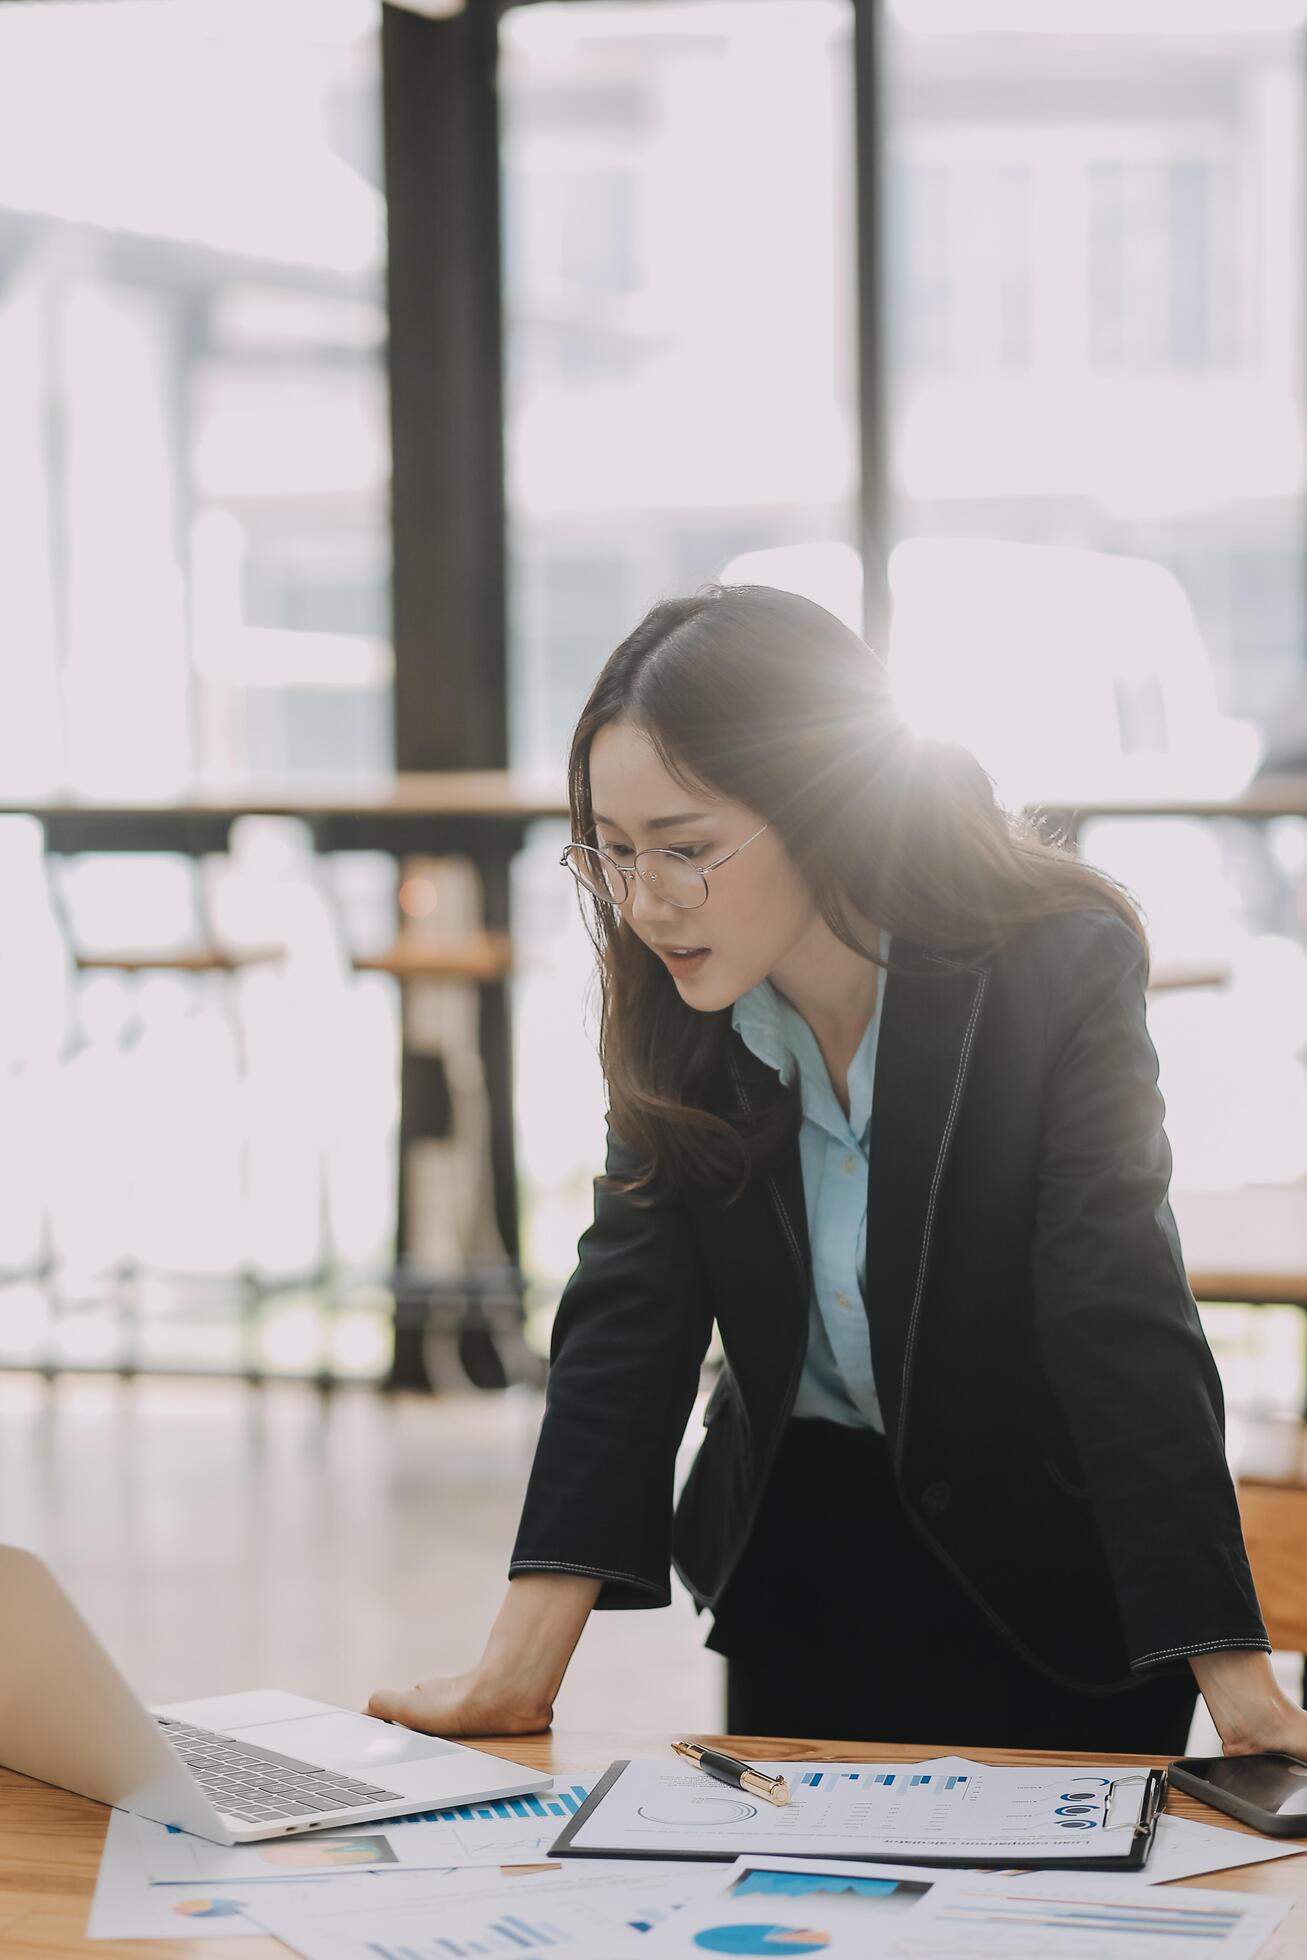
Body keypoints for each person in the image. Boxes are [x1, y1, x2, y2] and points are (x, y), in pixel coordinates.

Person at [370, 583, 1299, 1755]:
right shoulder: (681, 1006)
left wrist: (1237, 1684)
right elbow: (626, 1322)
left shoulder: (1052, 966)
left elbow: (1114, 1314)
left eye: (686, 849)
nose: (645, 902)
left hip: (1054, 1597)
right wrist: (514, 1672)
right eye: (610, 852)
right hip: (799, 1575)